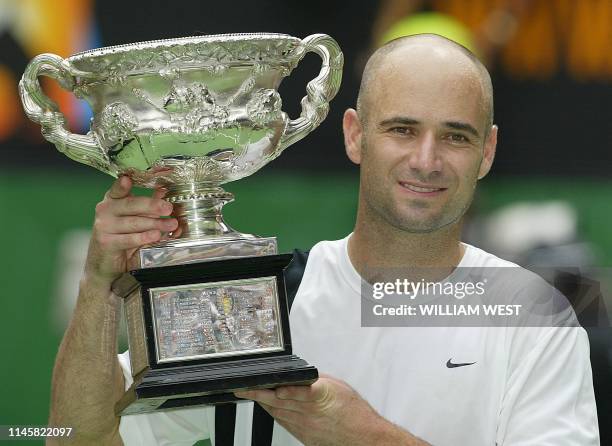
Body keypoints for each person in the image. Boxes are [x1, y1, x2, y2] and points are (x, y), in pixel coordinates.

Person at [47, 34, 599, 445]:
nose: (426, 160)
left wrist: (361, 435)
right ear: (355, 135)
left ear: (488, 153)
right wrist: (101, 285)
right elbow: (75, 437)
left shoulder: (536, 317)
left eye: (455, 136)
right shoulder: (261, 303)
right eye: (402, 129)